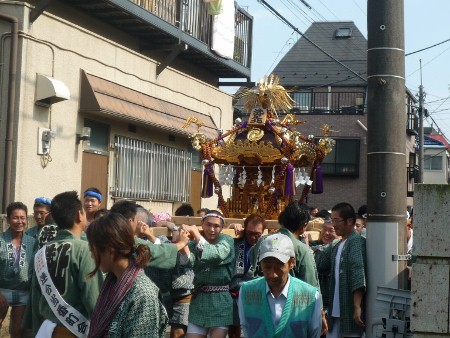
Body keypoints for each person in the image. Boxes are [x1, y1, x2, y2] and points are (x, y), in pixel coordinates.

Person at [26, 191, 104, 337]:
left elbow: (35, 300)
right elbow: (94, 301)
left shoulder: (41, 253)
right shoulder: (85, 250)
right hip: (74, 331)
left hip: (46, 329)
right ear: (79, 215)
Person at [86, 213, 168, 337]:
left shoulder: (142, 293)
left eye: (93, 250)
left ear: (109, 251)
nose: (92, 255)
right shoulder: (113, 281)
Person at [238, 233, 322, 338]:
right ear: (260, 264)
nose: (273, 274)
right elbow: (246, 328)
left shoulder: (310, 295)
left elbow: (314, 332)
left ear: (291, 263)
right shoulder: (246, 291)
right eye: (267, 266)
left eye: (279, 266)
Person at [314, 202, 366, 338]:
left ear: (350, 221)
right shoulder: (338, 244)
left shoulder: (355, 241)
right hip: (335, 311)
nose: (334, 225)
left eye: (336, 221)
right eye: (332, 221)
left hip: (349, 311)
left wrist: (357, 307)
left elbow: (357, 272)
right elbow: (319, 265)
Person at [180, 211, 235, 338]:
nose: (211, 229)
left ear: (222, 228)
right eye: (208, 225)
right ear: (202, 224)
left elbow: (216, 254)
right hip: (199, 300)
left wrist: (196, 233)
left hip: (220, 300)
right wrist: (183, 243)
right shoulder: (194, 243)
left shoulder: (226, 240)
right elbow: (188, 262)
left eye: (216, 226)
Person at [110, 200, 190, 268]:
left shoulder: (109, 234)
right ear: (131, 221)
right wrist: (182, 243)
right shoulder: (130, 241)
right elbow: (158, 252)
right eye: (136, 220)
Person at [0, 202, 36, 337]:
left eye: (23, 218)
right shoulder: (0, 239)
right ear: (8, 219)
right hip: (2, 290)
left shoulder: (32, 241)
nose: (20, 221)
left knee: (18, 330)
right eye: (15, 218)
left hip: (23, 291)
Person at [228, 214, 265, 338]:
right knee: (233, 328)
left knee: (256, 328)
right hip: (233, 292)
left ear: (263, 232)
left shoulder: (266, 245)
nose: (253, 237)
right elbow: (222, 236)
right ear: (244, 229)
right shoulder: (236, 240)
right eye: (249, 233)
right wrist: (232, 226)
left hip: (255, 293)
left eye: (257, 234)